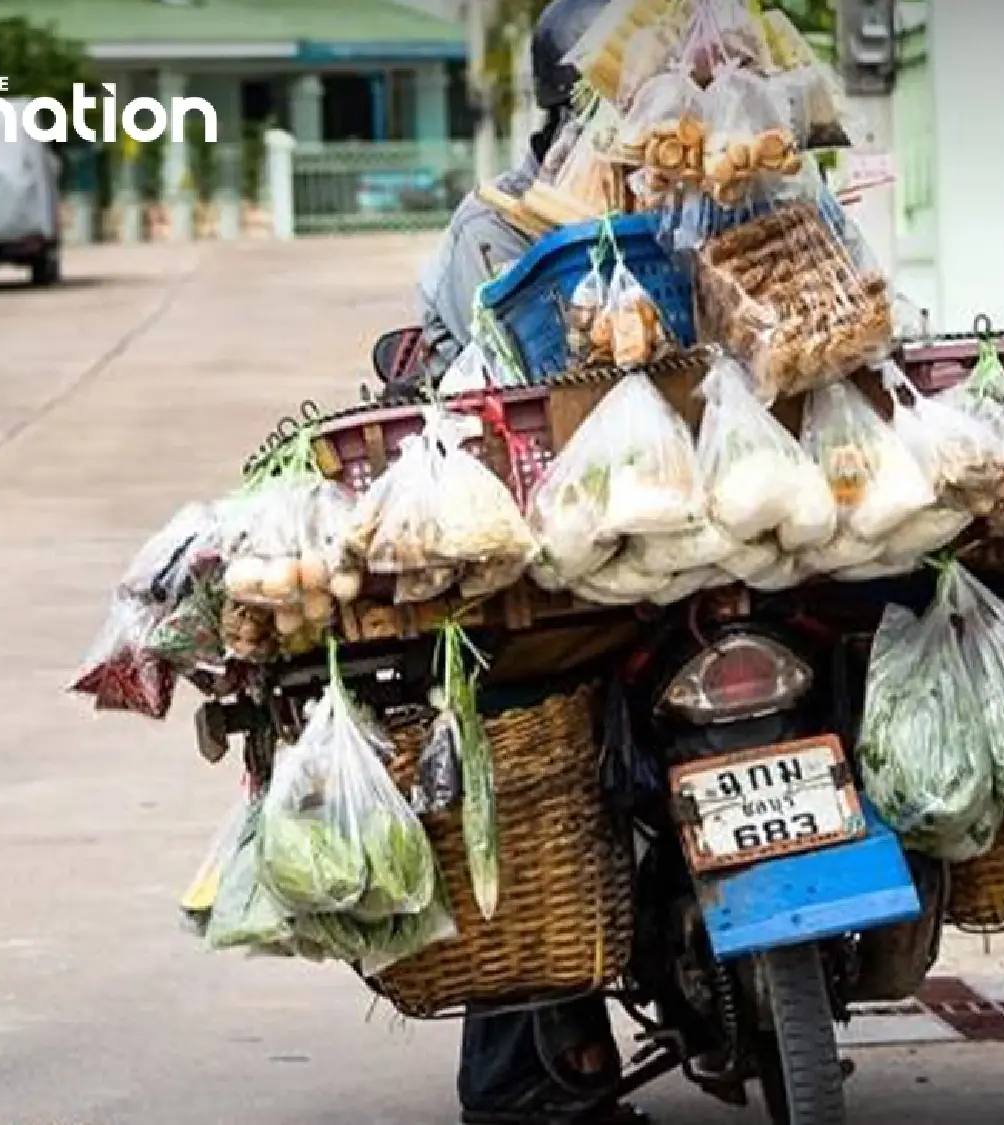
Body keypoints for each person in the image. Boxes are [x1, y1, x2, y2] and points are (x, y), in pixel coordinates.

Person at [412, 2, 648, 1123]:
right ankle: (532, 1067)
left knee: (519, 762)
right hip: (588, 551)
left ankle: (528, 1076)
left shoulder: (728, 182)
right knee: (521, 753)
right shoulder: (500, 226)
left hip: (638, 551)